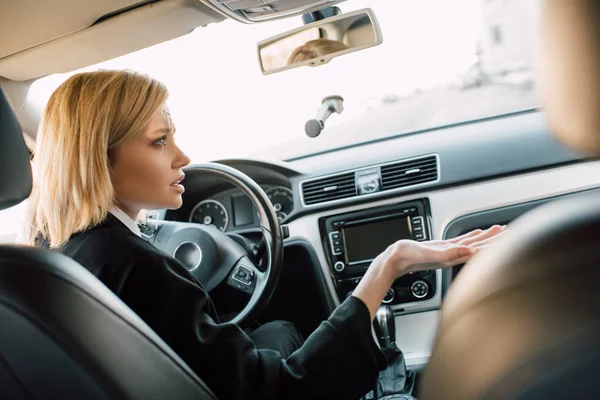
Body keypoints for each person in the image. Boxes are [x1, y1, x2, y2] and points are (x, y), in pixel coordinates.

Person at [25, 70, 506, 399]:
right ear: (99, 157)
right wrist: (388, 266)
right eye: (159, 141)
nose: (183, 157)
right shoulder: (136, 266)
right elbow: (284, 391)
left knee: (274, 331)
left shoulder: (59, 259)